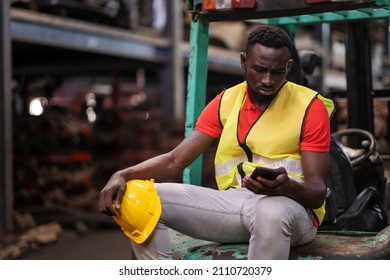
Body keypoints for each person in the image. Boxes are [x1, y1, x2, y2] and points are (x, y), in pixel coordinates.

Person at [99, 24, 335, 260]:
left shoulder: (309, 107)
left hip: (293, 212)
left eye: (277, 72)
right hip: (236, 205)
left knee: (270, 213)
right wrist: (123, 174)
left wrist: (287, 187)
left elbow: (317, 192)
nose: (268, 80)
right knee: (136, 197)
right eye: (260, 69)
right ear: (244, 62)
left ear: (289, 67)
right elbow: (175, 160)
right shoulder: (226, 101)